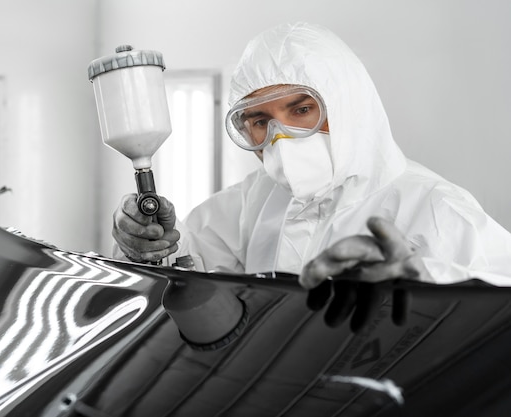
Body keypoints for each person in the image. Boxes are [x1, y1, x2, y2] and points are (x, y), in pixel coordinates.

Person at [112, 22, 511, 290]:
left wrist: (425, 283)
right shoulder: (256, 197)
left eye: (302, 111)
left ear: (348, 105)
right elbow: (192, 264)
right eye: (258, 120)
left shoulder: (436, 209)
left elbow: (496, 301)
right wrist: (149, 243)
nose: (281, 137)